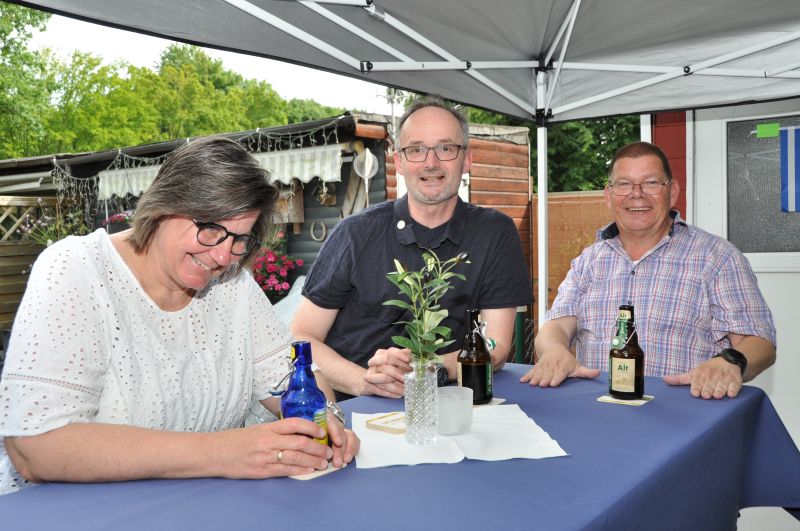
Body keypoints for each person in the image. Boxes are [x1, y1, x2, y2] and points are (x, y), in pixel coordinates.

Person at [0, 137, 359, 496]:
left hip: (192, 505)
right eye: (211, 228)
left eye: (239, 239)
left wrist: (324, 418)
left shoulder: (234, 284)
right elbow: (35, 448)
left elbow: (293, 376)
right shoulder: (76, 270)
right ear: (163, 206)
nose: (223, 257)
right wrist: (224, 453)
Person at [291, 98, 532, 400]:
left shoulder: (494, 233)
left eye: (446, 148)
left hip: (449, 406)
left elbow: (495, 344)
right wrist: (364, 381)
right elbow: (301, 336)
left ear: (467, 159)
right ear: (399, 161)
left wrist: (427, 370)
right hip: (356, 408)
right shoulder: (355, 234)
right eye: (416, 149)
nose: (431, 163)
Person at [522, 141, 776, 399]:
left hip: (684, 412)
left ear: (672, 192)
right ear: (608, 195)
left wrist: (730, 361)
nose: (637, 194)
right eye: (624, 184)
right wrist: (554, 351)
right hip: (599, 410)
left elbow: (758, 341)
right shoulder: (588, 262)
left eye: (651, 183)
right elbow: (555, 328)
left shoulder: (717, 257)